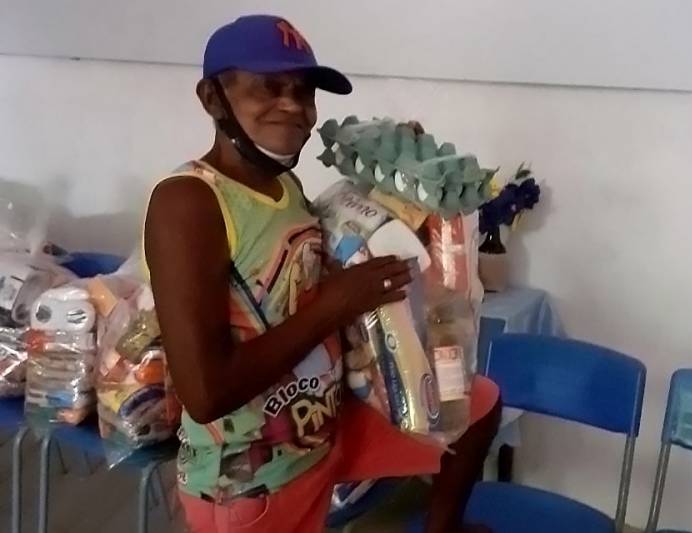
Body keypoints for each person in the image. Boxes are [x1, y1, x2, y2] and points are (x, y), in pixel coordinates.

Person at [144, 14, 500, 533]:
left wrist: (400, 193)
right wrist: (335, 304)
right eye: (269, 87)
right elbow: (205, 393)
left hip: (323, 428)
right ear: (212, 98)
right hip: (253, 478)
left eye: (303, 92)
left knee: (476, 406)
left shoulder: (284, 188)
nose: (292, 105)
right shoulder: (189, 202)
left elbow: (314, 267)